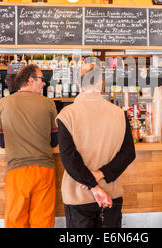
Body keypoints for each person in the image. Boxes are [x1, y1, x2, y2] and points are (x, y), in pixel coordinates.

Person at [56, 64, 136, 228]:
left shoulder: (66, 115)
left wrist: (92, 185)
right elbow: (128, 153)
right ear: (100, 82)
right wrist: (100, 175)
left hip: (78, 196)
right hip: (111, 195)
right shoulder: (119, 113)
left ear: (78, 84)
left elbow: (69, 159)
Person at [0, 64, 58, 228]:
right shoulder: (48, 104)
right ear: (31, 80)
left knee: (15, 220)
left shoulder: (3, 103)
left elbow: (1, 142)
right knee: (43, 221)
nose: (44, 83)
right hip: (44, 170)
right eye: (42, 79)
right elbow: (55, 140)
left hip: (17, 171)